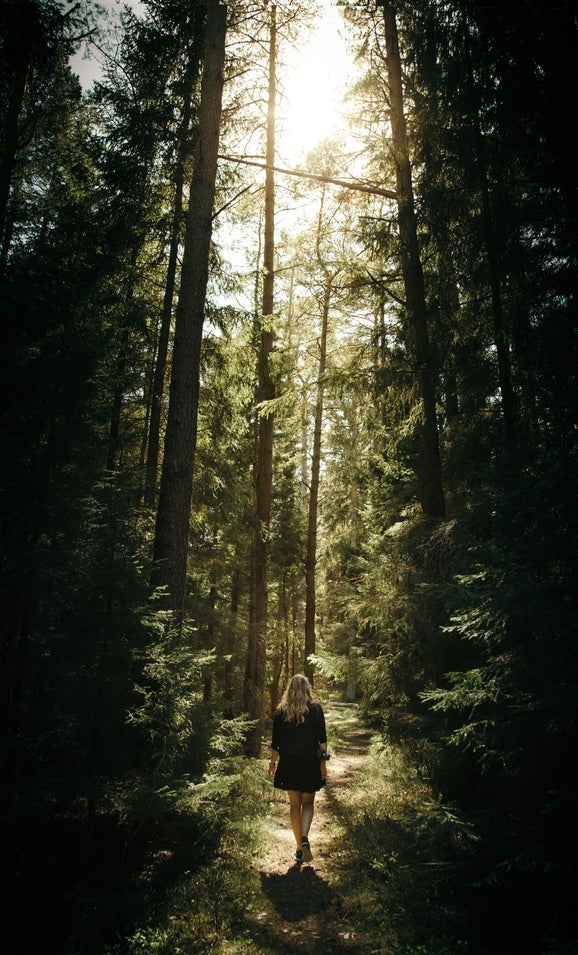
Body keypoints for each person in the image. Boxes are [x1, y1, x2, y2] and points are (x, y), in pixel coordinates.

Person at [268, 673, 328, 863]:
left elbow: (275, 743)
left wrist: (272, 764)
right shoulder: (316, 709)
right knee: (308, 803)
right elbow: (322, 740)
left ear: (290, 690)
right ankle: (304, 839)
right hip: (310, 762)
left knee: (295, 805)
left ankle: (298, 849)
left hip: (289, 763)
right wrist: (323, 764)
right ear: (307, 689)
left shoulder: (281, 712)